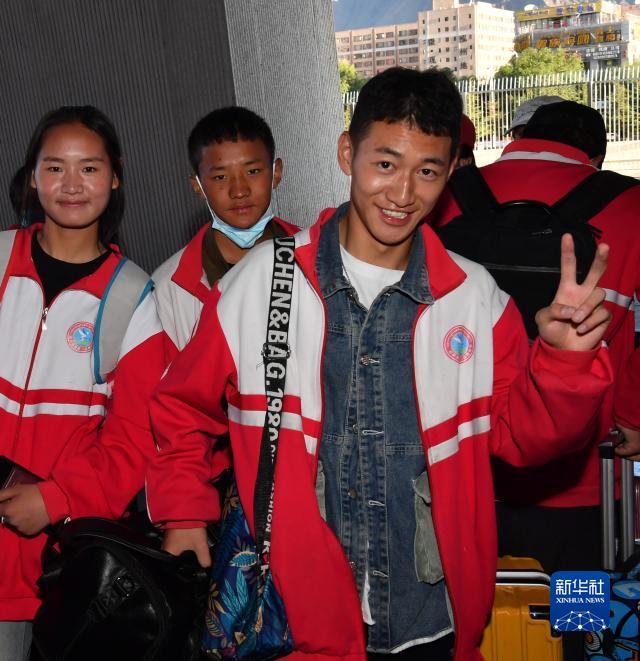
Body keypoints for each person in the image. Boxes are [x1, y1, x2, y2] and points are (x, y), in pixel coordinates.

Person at [147, 67, 613, 660]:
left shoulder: (474, 298)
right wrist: (183, 512)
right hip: (296, 616)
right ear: (348, 152)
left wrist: (565, 364)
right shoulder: (261, 281)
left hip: (431, 618)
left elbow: (524, 440)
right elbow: (181, 408)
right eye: (386, 163)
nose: (403, 193)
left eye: (428, 171)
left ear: (452, 171)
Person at [0, 105, 166, 661]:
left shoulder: (133, 297)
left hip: (73, 568)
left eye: (89, 168)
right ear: (32, 176)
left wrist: (57, 499)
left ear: (115, 177)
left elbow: (134, 441)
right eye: (54, 167)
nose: (71, 184)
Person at [433, 100, 640, 574]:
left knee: (467, 607)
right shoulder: (631, 204)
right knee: (577, 608)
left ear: (521, 138)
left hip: (457, 468)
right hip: (581, 481)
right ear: (595, 155)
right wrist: (632, 414)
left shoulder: (443, 196)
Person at [152, 106, 299, 355]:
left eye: (253, 172)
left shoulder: (318, 255)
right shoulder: (168, 289)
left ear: (276, 173)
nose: (239, 191)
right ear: (197, 186)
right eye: (220, 177)